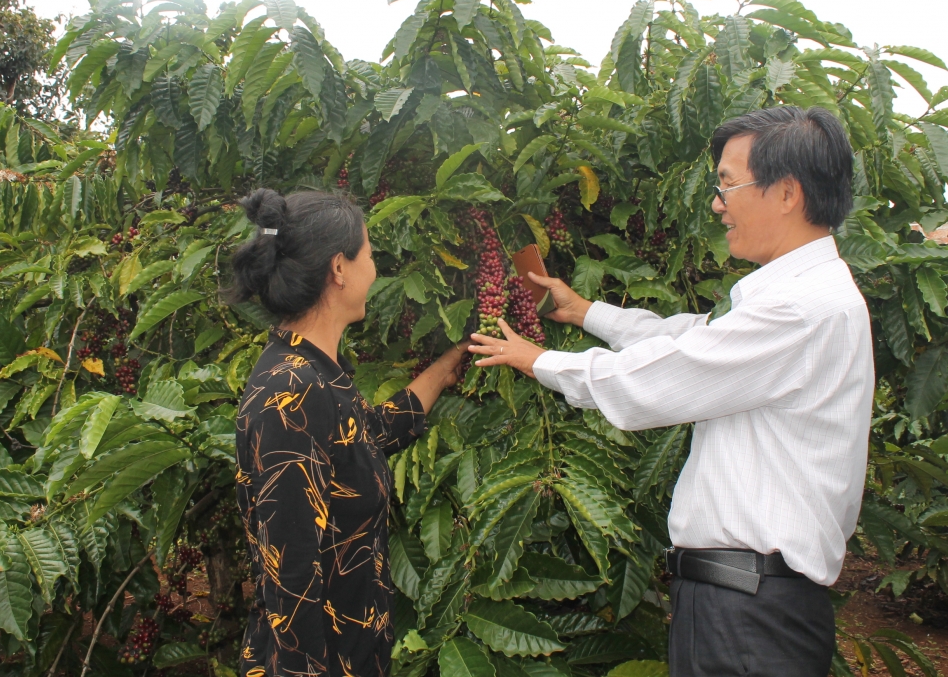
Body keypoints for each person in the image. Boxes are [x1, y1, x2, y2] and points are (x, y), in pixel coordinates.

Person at [468, 106, 873, 677]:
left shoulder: (800, 309)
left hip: (748, 615)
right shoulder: (800, 296)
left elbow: (656, 380)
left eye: (728, 184)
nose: (717, 202)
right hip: (744, 603)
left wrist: (539, 361)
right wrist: (585, 312)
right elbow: (691, 338)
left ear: (786, 193)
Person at [229, 189, 466, 677]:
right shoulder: (292, 391)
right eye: (371, 254)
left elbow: (368, 435)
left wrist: (446, 368)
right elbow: (290, 579)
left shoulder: (314, 370)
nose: (375, 270)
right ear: (340, 268)